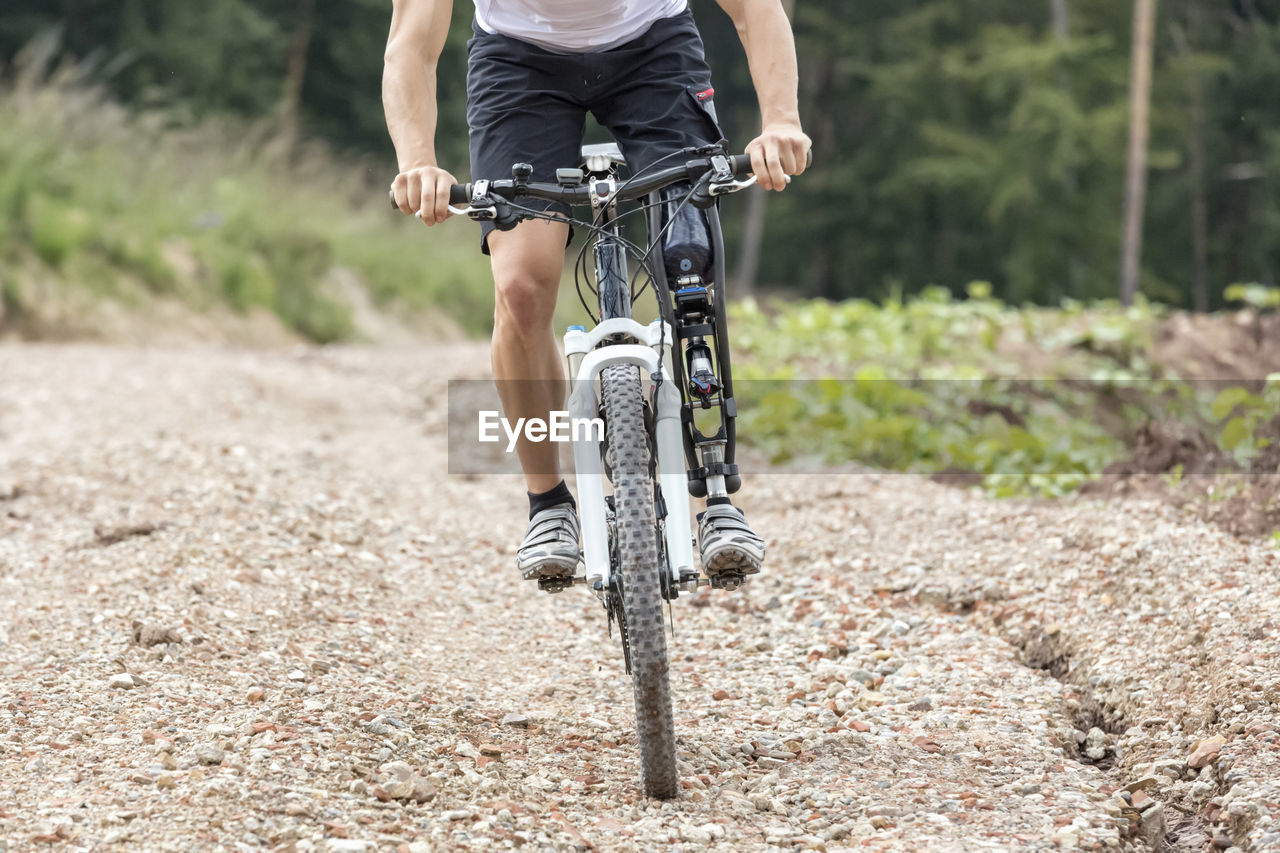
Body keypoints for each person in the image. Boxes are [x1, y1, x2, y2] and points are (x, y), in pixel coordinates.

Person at [385, 0, 810, 583]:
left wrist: (781, 121)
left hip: (652, 47)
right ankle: (548, 504)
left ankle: (718, 496)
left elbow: (754, 10)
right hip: (518, 62)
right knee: (521, 288)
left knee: (690, 262)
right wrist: (418, 163)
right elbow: (413, 41)